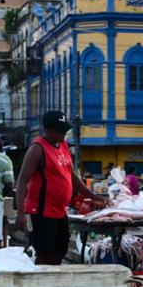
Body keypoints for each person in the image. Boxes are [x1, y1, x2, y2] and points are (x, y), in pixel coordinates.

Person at [15, 110, 105, 265]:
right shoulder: (37, 149)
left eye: (65, 130)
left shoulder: (63, 145)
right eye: (60, 131)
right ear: (49, 130)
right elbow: (22, 181)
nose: (64, 134)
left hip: (60, 211)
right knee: (44, 253)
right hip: (41, 212)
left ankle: (53, 281)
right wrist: (21, 213)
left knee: (60, 249)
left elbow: (72, 176)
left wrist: (94, 196)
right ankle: (41, 284)